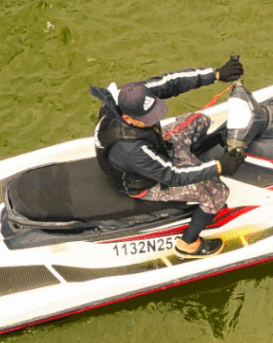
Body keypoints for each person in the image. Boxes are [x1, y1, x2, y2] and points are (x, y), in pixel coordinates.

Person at [91, 56, 246, 258]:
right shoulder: (130, 149)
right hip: (146, 181)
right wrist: (219, 166)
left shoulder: (133, 96)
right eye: (149, 118)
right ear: (128, 119)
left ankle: (194, 162)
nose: (156, 118)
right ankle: (188, 244)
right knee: (217, 192)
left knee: (200, 121)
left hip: (154, 146)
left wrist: (216, 74)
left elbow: (171, 82)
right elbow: (172, 175)